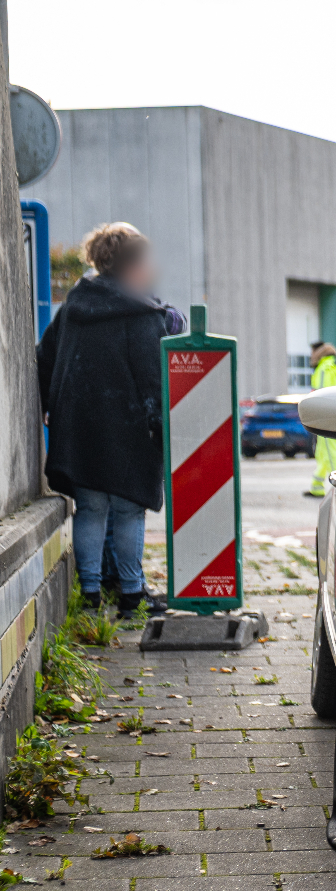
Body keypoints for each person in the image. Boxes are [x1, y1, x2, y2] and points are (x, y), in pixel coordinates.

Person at [36, 222, 179, 617]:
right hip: (128, 432)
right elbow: (152, 379)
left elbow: (44, 358)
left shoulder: (74, 308)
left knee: (91, 509)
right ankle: (132, 595)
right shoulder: (142, 313)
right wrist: (162, 430)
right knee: (129, 509)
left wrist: (52, 405)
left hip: (78, 431)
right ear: (131, 265)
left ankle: (91, 594)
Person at [306, 341, 336, 497]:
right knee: (323, 453)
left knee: (331, 453)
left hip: (325, 416)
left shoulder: (324, 368)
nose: (311, 356)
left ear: (319, 353)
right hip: (333, 414)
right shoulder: (333, 367)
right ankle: (316, 487)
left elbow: (321, 394)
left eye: (312, 352)